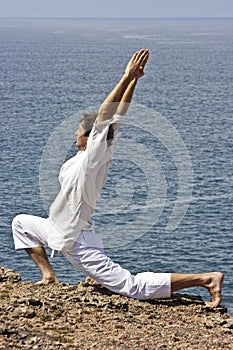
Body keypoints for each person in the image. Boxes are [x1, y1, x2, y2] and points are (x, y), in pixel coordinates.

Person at [12, 49, 223, 308]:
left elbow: (105, 117)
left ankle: (206, 279)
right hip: (56, 228)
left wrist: (125, 77)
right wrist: (135, 81)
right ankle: (48, 275)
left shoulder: (94, 157)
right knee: (21, 223)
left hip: (77, 241)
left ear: (90, 137)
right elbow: (117, 117)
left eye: (78, 131)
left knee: (132, 287)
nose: (74, 135)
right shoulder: (83, 157)